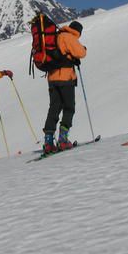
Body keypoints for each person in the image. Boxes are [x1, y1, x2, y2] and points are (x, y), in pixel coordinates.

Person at [42, 21, 87, 154]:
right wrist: (83, 48)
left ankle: (48, 141)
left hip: (52, 78)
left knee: (54, 108)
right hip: (65, 77)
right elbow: (81, 53)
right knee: (69, 107)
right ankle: (63, 139)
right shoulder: (69, 37)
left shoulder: (56, 35)